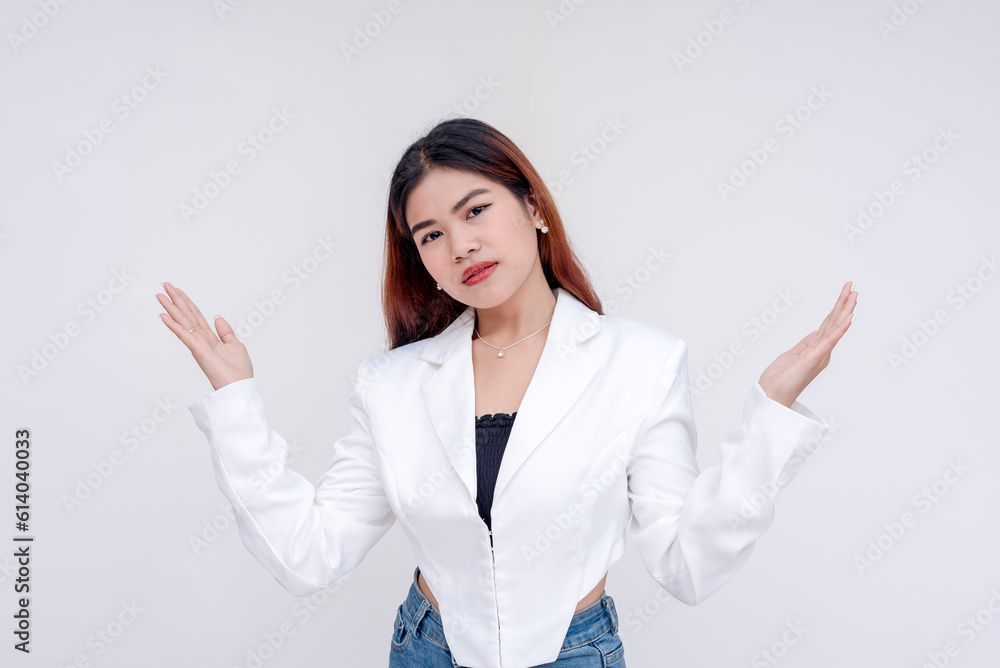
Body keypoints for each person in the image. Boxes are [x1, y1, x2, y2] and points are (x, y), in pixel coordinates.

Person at [156, 117, 857, 668]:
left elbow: (688, 565)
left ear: (534, 207)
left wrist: (771, 415)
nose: (460, 245)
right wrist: (235, 400)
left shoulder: (640, 363)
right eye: (431, 234)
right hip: (425, 652)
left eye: (476, 210)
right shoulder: (392, 386)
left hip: (575, 654)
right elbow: (308, 556)